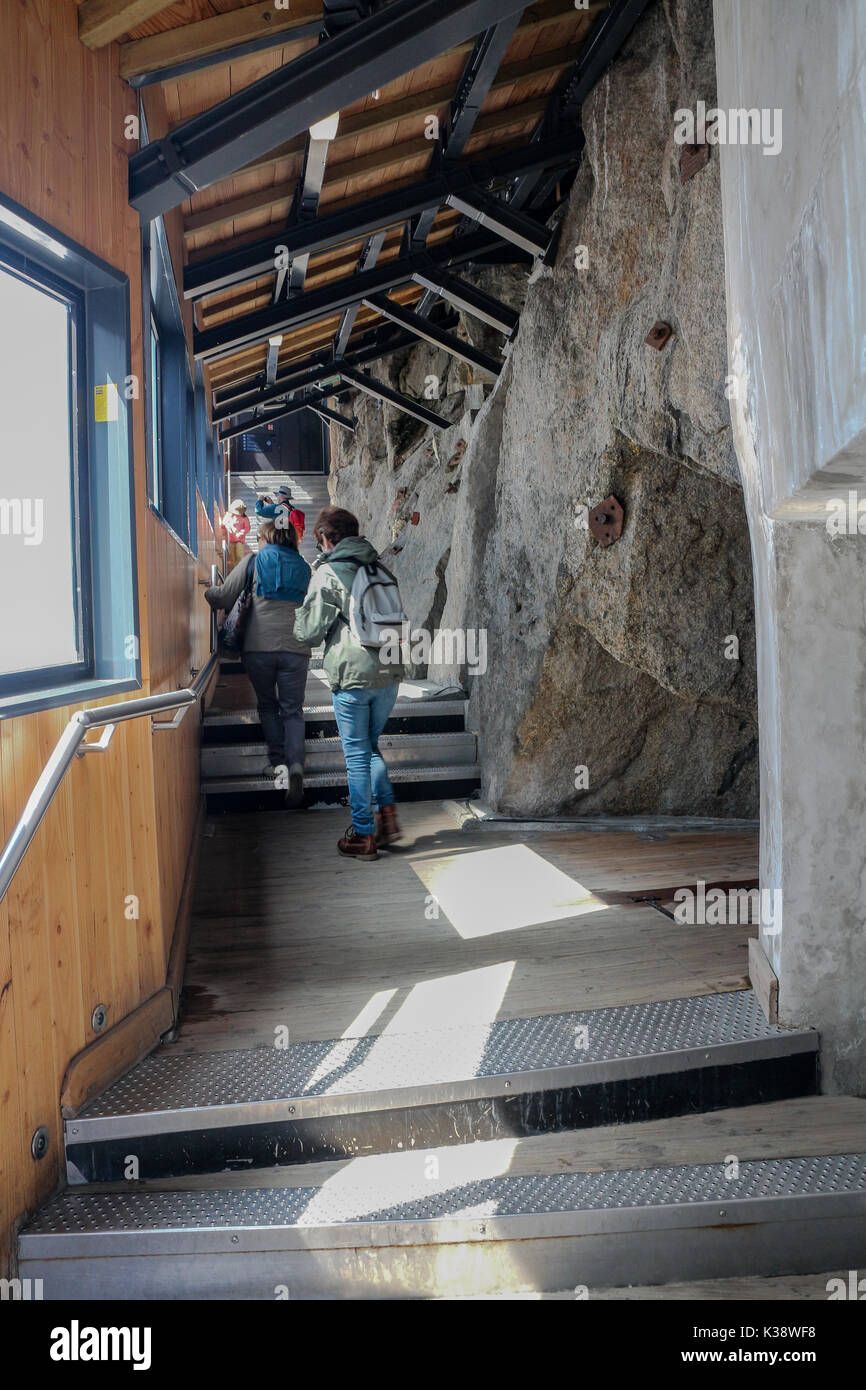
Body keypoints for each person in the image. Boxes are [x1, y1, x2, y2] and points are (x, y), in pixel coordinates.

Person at [294, 506, 404, 861]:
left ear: (326, 539)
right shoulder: (379, 567)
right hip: (388, 675)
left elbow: (309, 632)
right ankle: (388, 819)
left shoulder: (329, 572)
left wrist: (300, 613)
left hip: (353, 677)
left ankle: (364, 835)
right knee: (369, 747)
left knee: (357, 755)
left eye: (319, 542)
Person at [205, 520, 311, 806]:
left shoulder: (254, 560)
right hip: (296, 648)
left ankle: (279, 766)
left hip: (259, 648)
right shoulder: (303, 567)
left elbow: (224, 596)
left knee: (268, 706)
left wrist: (206, 591)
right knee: (293, 711)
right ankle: (297, 766)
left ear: (267, 537)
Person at [221, 499, 250, 567]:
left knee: (239, 556)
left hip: (240, 540)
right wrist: (228, 524)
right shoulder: (229, 516)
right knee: (232, 558)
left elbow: (247, 527)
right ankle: (235, 571)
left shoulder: (244, 518)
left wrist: (241, 533)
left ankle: (239, 570)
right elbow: (223, 525)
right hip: (231, 540)